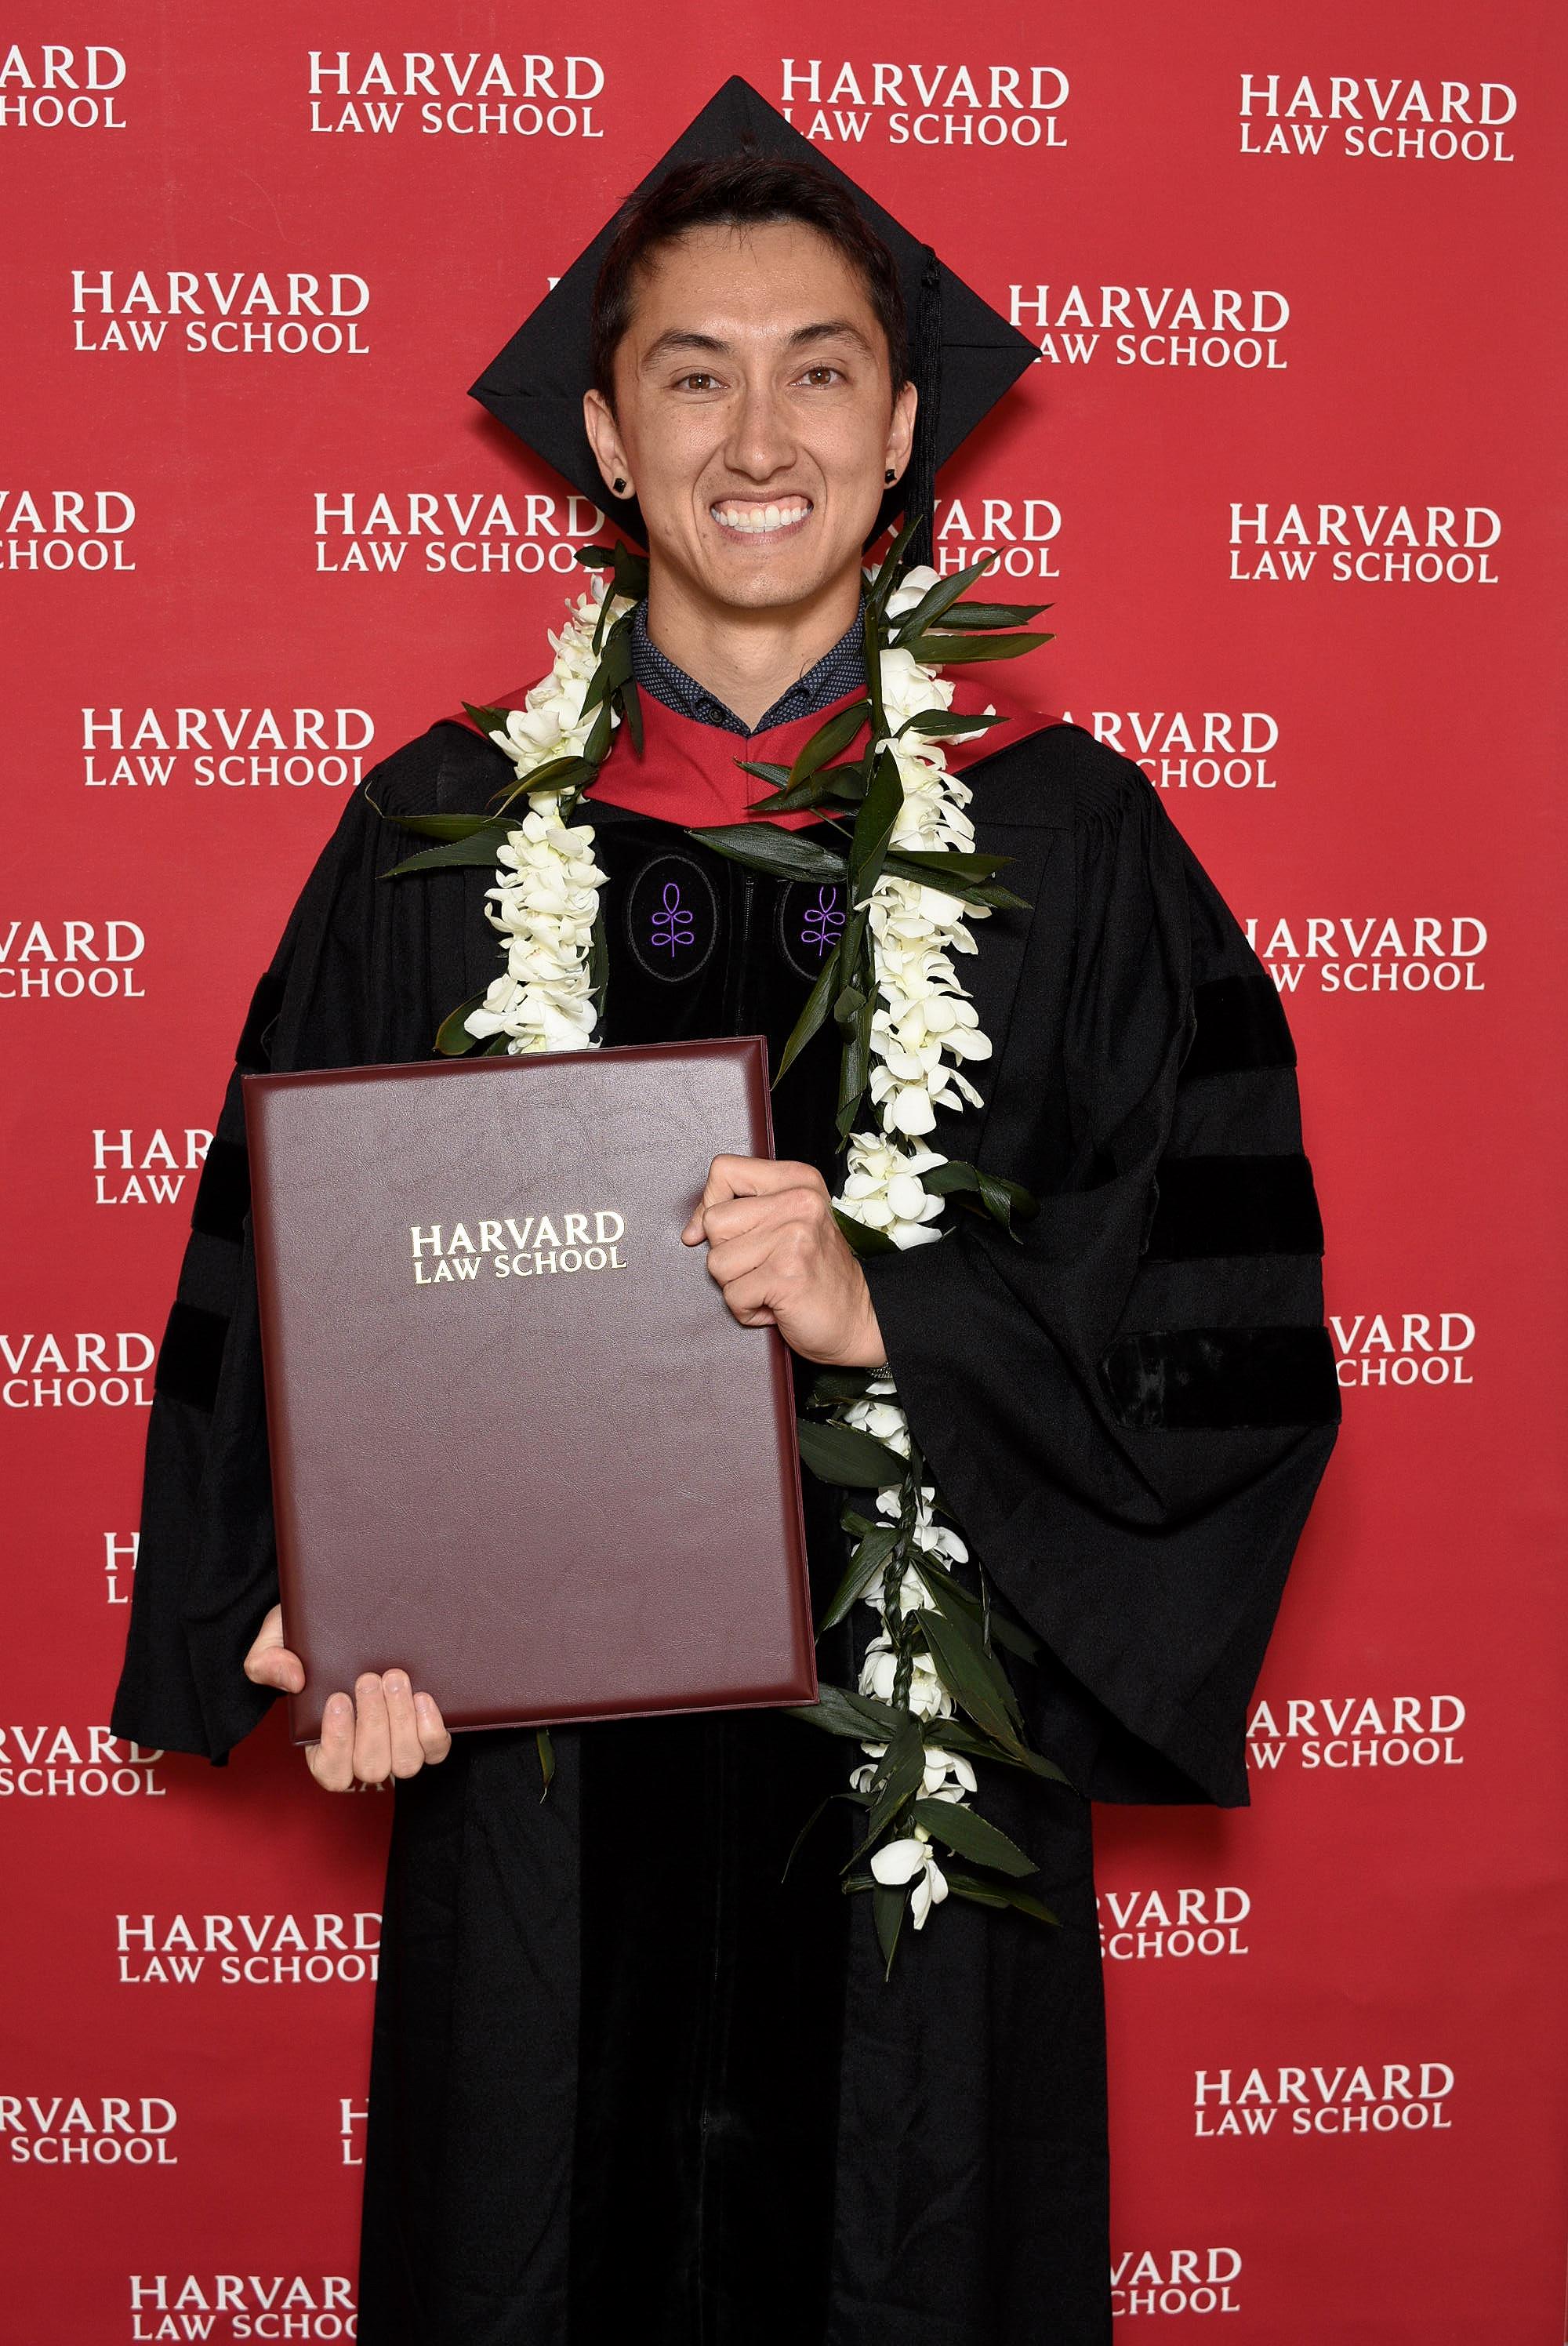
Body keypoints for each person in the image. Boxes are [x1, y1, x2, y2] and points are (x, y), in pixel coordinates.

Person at [111, 78, 1341, 2346]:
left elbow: (1223, 1351)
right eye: (693, 376)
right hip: (537, 1824)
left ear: (901, 434)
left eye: (820, 373)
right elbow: (288, 1294)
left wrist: (898, 1314)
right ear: (606, 433)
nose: (758, 436)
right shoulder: (441, 841)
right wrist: (304, 1610)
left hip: (915, 1849)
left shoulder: (1073, 856)